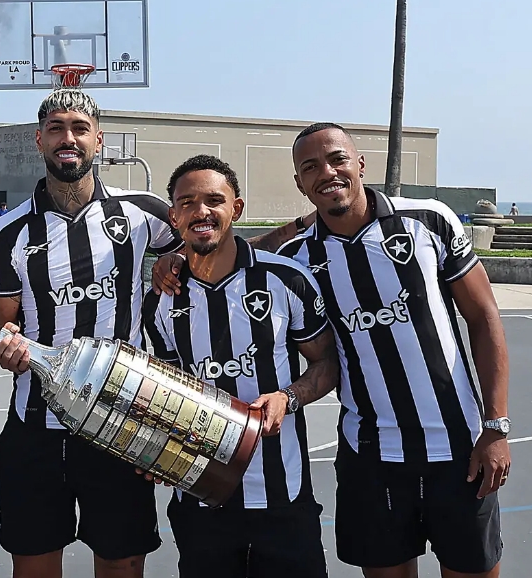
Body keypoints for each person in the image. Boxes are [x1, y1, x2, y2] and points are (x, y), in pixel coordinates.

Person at [154, 122, 511, 578]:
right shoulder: (300, 260)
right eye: (310, 167)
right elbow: (243, 252)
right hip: (370, 453)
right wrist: (182, 256)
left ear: (360, 163)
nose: (327, 172)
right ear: (300, 183)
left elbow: (483, 319)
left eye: (337, 159)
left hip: (460, 446)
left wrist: (496, 425)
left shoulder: (428, 222)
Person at [0, 88, 183, 578]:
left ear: (99, 140)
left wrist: (176, 257)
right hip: (35, 425)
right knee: (33, 561)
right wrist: (4, 346)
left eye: (78, 128)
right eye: (55, 129)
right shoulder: (6, 233)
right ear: (39, 140)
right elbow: (5, 323)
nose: (67, 138)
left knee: (121, 560)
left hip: (120, 419)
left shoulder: (144, 214)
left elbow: (210, 248)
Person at [142, 154, 339, 578]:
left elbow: (327, 363)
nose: (201, 211)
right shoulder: (160, 299)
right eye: (187, 202)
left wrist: (289, 397)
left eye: (215, 199)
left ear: (237, 208)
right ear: (173, 215)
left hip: (283, 499)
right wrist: (154, 450)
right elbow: (166, 391)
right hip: (201, 499)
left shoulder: (287, 280)